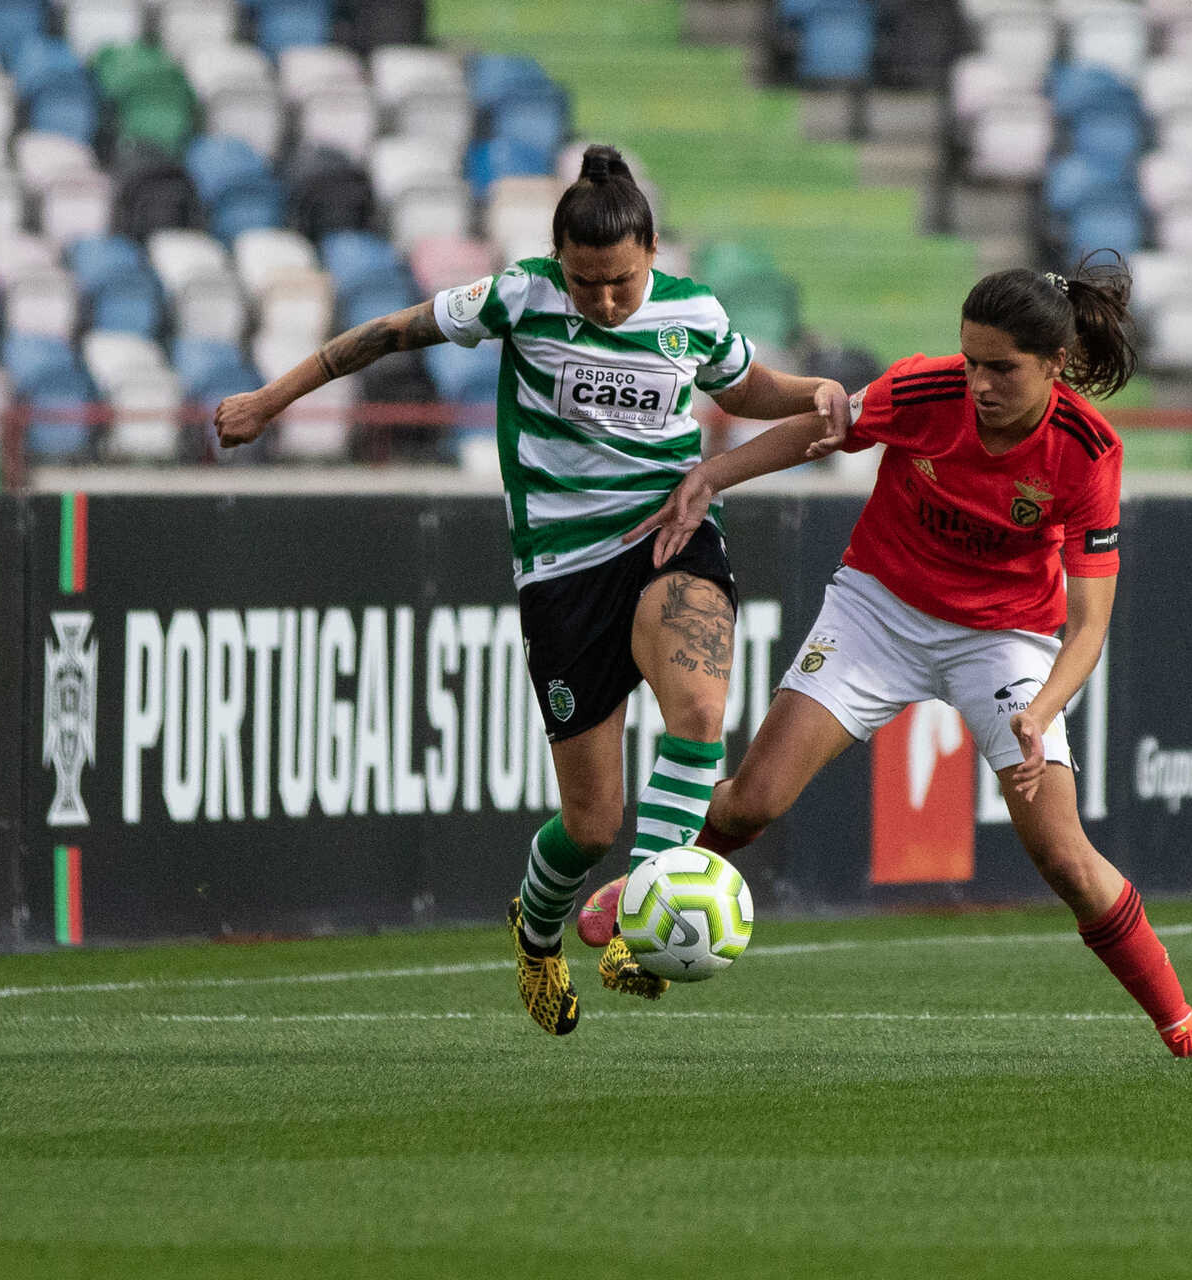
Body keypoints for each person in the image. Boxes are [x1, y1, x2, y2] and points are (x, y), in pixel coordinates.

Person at [215, 145, 851, 1035]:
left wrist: (811, 394)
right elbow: (391, 332)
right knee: (591, 822)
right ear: (558, 260)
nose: (601, 300)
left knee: (702, 710)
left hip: (668, 533)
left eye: (620, 282)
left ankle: (643, 918)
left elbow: (746, 390)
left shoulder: (693, 313)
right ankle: (537, 930)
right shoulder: (519, 294)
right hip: (560, 571)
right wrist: (270, 400)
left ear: (653, 253)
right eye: (585, 282)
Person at [581, 255, 1192, 1060]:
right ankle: (654, 887)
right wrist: (712, 477)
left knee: (1064, 858)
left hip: (1006, 641)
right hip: (880, 611)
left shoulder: (1087, 451)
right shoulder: (924, 389)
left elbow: (1087, 627)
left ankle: (1182, 1024)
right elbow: (819, 431)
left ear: (1057, 365)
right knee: (752, 803)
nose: (978, 384)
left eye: (1001, 369)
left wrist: (1039, 712)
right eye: (970, 361)